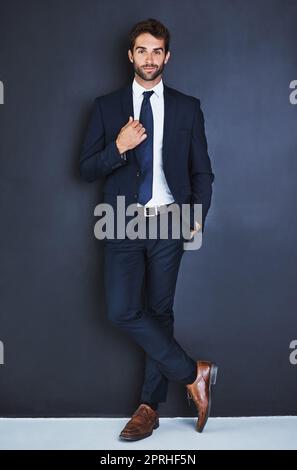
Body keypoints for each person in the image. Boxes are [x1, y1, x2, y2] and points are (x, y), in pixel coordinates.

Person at [79, 18, 217, 441]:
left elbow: (202, 173)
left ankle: (148, 408)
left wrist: (196, 216)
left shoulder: (186, 107)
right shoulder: (105, 107)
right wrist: (118, 148)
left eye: (157, 51)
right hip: (121, 221)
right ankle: (194, 372)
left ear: (167, 56)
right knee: (122, 311)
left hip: (170, 221)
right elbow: (84, 169)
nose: (150, 59)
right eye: (143, 50)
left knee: (159, 313)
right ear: (130, 55)